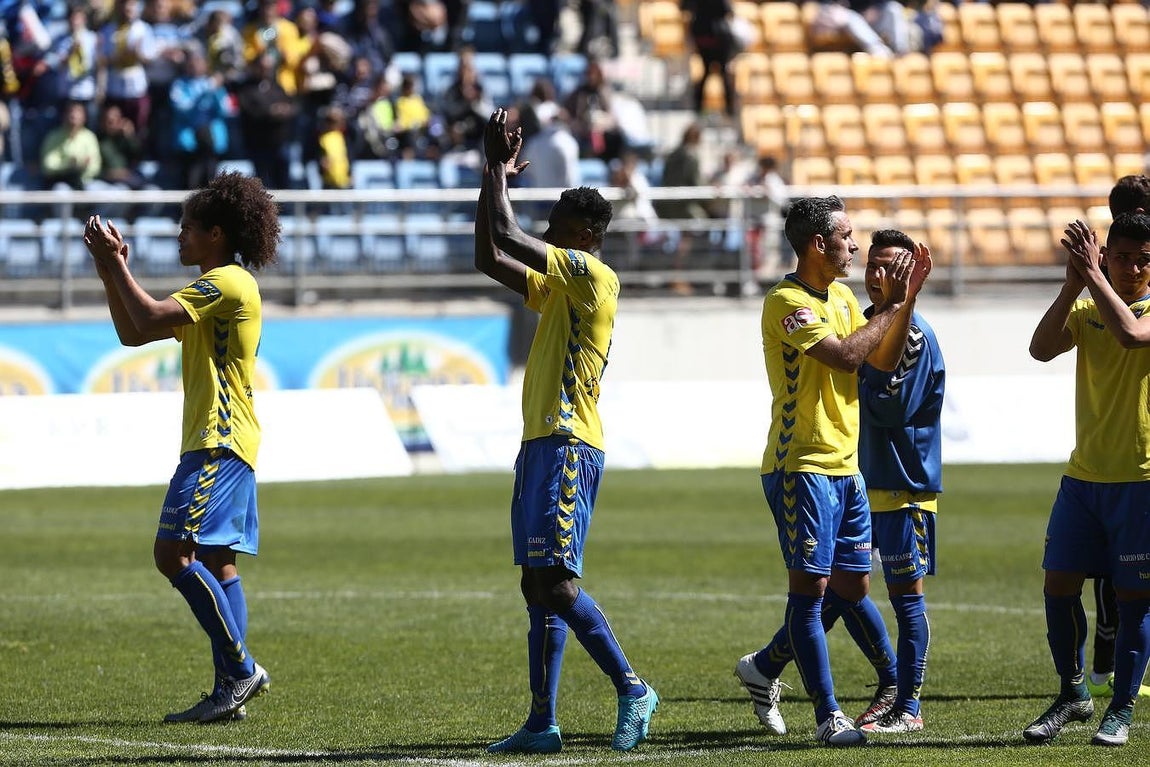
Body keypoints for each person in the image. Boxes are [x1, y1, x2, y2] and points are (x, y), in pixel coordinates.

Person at [476, 108, 658, 754]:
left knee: (556, 582)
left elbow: (506, 230)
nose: (548, 237)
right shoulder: (561, 288)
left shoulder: (591, 276)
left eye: (557, 229)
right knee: (536, 584)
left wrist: (496, 166)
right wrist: (488, 170)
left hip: (570, 440)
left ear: (582, 232)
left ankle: (633, 686)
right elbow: (488, 251)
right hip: (541, 441)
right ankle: (542, 721)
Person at [81, 171, 279, 724]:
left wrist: (119, 265)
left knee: (172, 554)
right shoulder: (212, 293)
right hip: (224, 439)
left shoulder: (228, 284)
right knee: (218, 561)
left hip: (217, 441)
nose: (180, 236)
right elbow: (134, 331)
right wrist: (108, 268)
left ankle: (240, 671)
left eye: (187, 227)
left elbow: (145, 315)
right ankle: (228, 691)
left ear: (216, 233)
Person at [734, 195, 928, 747]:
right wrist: (894, 307)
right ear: (818, 244)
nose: (855, 245)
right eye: (846, 236)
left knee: (852, 584)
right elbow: (845, 356)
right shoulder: (786, 302)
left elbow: (879, 360)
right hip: (801, 465)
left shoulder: (842, 296)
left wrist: (902, 303)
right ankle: (828, 714)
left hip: (845, 467)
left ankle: (766, 667)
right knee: (812, 589)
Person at [1024, 211, 1150, 747]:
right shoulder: (1087, 300)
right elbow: (1041, 347)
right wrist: (1072, 282)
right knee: (1058, 585)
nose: (1134, 268)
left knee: (1132, 599)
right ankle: (1073, 692)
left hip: (1141, 480)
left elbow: (1130, 334)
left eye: (1145, 259)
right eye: (1122, 257)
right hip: (1083, 477)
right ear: (1109, 256)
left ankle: (1119, 710)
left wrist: (1093, 275)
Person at [1085, 174, 1150, 702]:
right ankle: (1111, 656)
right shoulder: (1104, 284)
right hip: (1122, 454)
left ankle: (1116, 656)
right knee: (1122, 576)